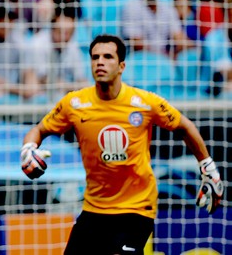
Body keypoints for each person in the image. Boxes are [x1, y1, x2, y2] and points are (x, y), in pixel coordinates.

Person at [20, 34, 224, 255]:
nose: (100, 61)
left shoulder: (145, 103)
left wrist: (208, 167)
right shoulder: (74, 104)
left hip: (136, 208)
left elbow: (184, 126)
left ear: (121, 66)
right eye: (95, 57)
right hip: (94, 208)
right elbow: (39, 130)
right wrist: (28, 149)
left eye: (108, 57)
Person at [121, 0, 193, 59]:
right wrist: (166, 56)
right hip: (139, 60)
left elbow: (179, 38)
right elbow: (137, 44)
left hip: (164, 62)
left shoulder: (168, 9)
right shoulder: (131, 7)